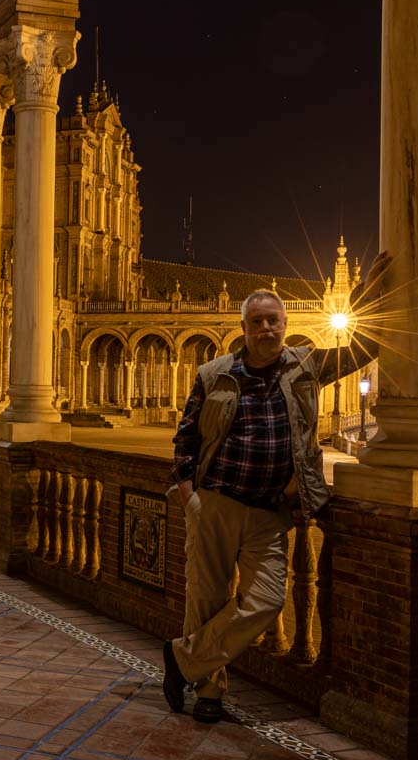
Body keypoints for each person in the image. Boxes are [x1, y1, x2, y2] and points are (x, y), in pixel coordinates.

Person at [161, 252, 389, 723]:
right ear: (244, 328)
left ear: (286, 326)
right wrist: (191, 497)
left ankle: (182, 659)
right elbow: (185, 438)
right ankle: (209, 692)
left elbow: (364, 345)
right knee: (206, 599)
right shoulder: (213, 374)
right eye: (258, 322)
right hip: (217, 503)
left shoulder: (306, 366)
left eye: (274, 321)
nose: (267, 329)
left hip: (269, 512)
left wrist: (370, 291)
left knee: (267, 600)